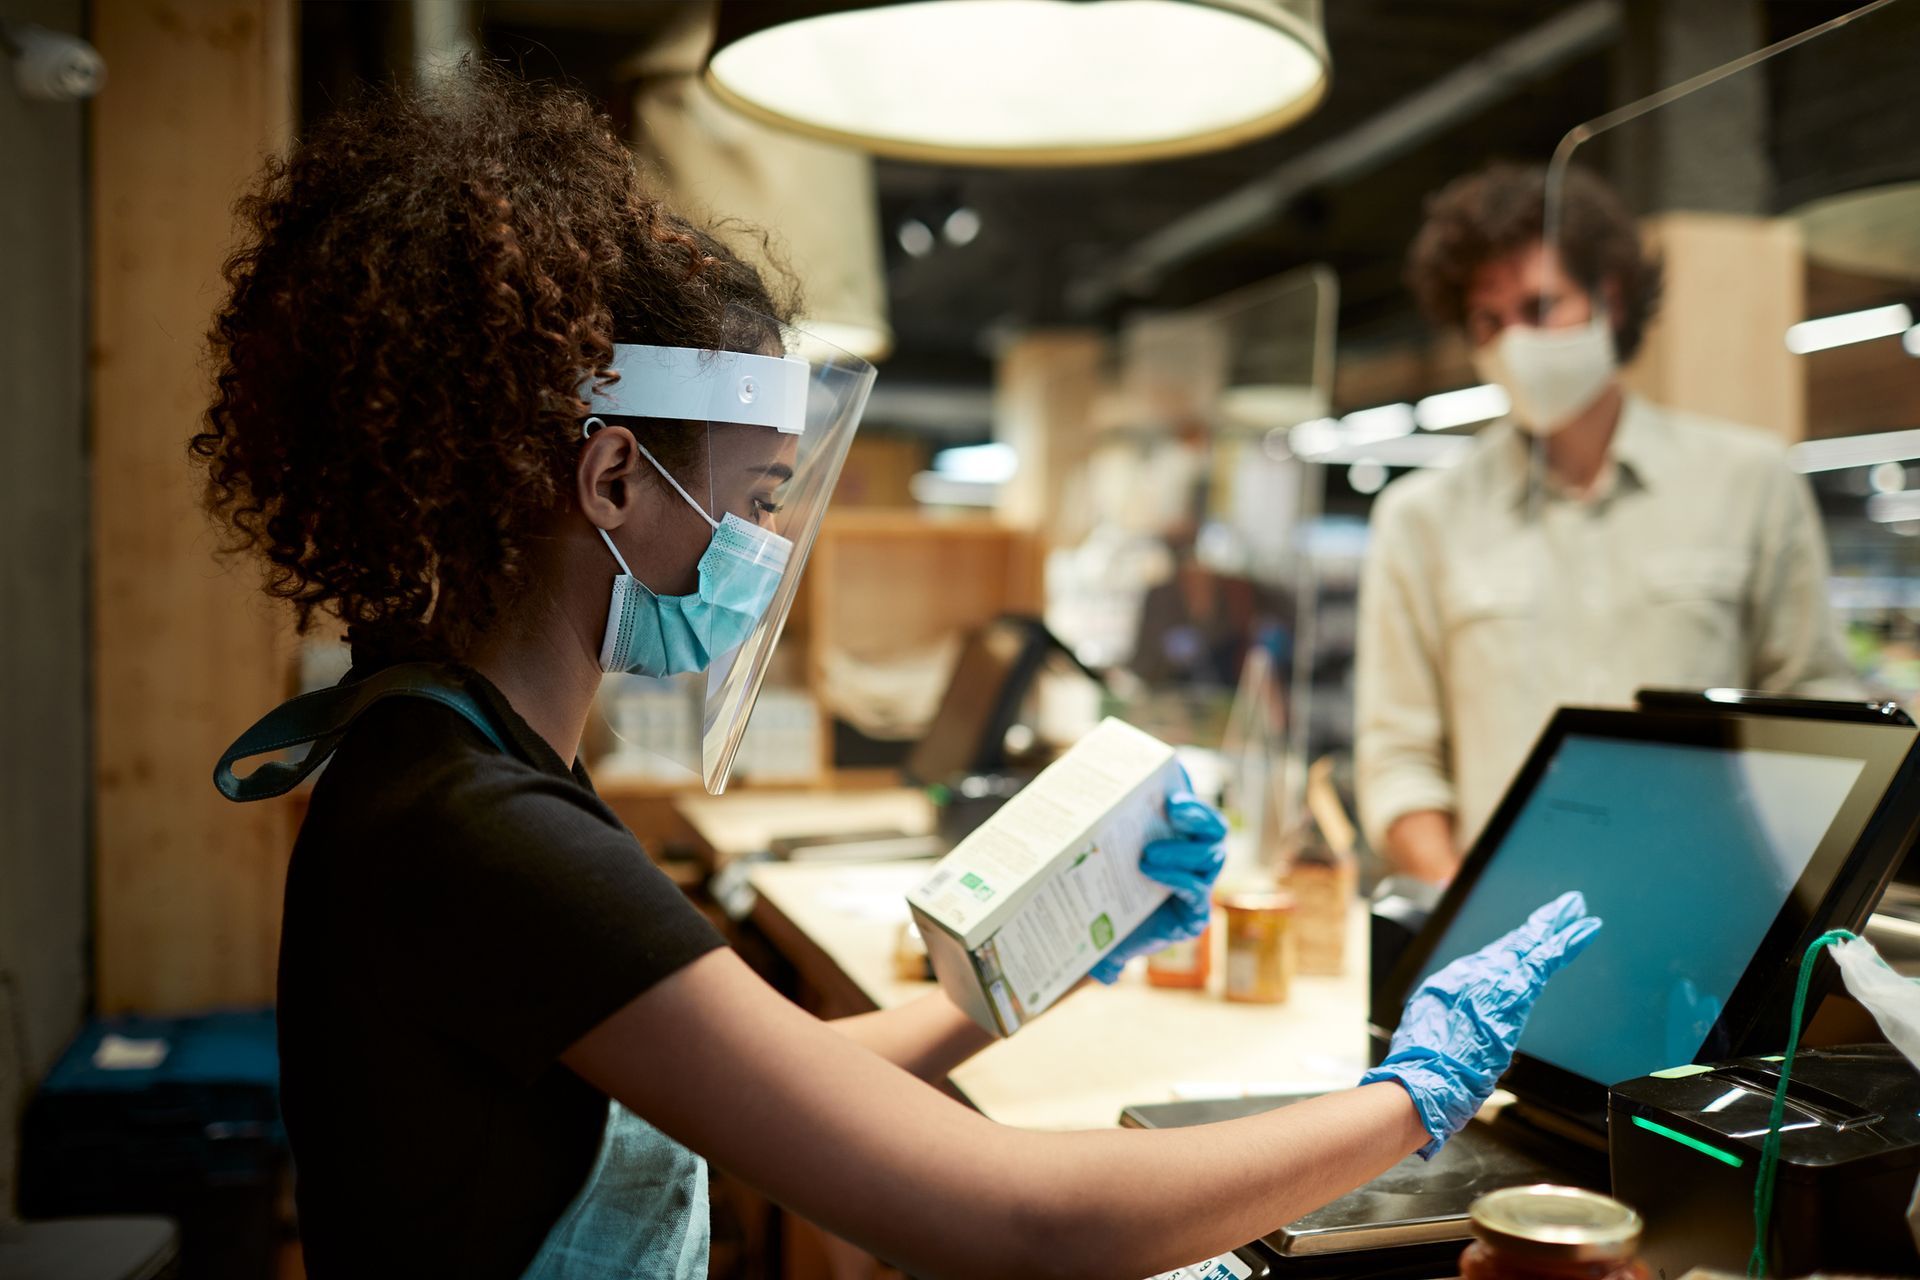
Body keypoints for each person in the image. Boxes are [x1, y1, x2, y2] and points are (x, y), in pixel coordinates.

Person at [196, 70, 1599, 1279]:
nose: (762, 547)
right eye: (755, 496)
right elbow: (1024, 1227)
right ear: (615, 476)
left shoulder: (451, 757)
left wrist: (1044, 961)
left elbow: (777, 1097)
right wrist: (1414, 1097)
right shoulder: (479, 830)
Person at [1355, 163, 1858, 886]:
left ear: (1610, 298)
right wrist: (1471, 920)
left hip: (1708, 911)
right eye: (1488, 322)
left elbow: (1819, 709)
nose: (1514, 342)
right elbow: (1398, 756)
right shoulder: (1422, 518)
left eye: (1540, 306)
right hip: (1502, 927)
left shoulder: (1747, 483)